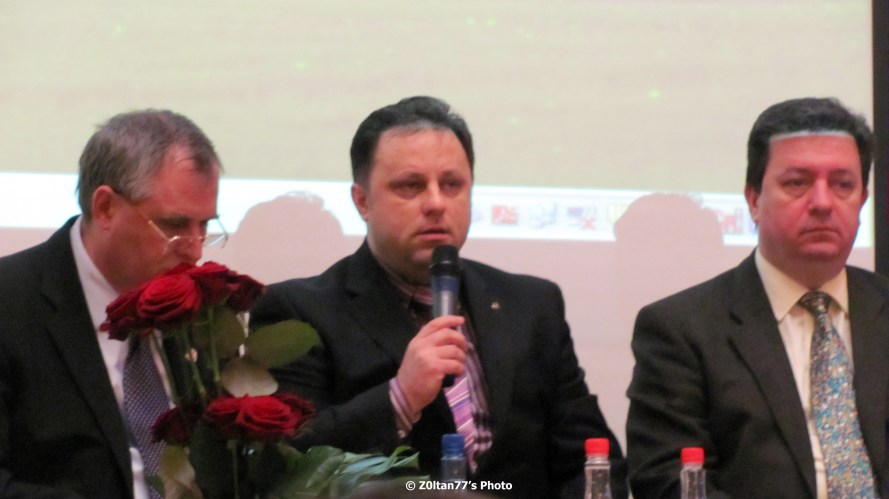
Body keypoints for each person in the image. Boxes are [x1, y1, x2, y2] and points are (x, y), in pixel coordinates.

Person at [250, 96, 627, 498]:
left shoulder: (531, 305)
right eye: (410, 186)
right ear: (362, 201)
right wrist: (401, 396)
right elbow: (291, 469)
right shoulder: (298, 313)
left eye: (452, 185)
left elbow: (591, 460)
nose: (435, 203)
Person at [625, 97, 889, 498]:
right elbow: (668, 481)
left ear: (863, 199)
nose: (822, 203)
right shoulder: (682, 330)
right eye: (797, 183)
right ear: (753, 199)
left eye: (842, 185)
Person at [0, 110, 223, 498]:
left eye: (205, 226)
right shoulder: (11, 303)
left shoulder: (199, 309)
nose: (195, 252)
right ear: (105, 207)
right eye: (174, 226)